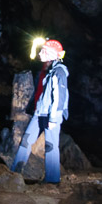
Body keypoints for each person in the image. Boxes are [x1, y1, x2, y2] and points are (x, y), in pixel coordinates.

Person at [10, 38, 68, 183]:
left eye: (43, 51)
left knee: (50, 146)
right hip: (40, 113)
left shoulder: (59, 72)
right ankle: (14, 173)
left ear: (51, 54)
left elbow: (59, 97)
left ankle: (53, 180)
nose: (40, 53)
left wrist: (54, 119)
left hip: (50, 115)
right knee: (26, 141)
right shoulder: (48, 71)